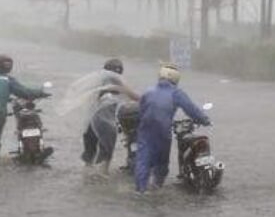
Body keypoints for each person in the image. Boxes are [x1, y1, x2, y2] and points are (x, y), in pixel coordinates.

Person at [134, 62, 210, 193]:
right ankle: (156, 188)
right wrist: (205, 120)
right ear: (176, 78)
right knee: (162, 162)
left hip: (145, 130)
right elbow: (191, 109)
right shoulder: (176, 93)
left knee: (143, 161)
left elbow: (141, 111)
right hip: (163, 132)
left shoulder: (148, 91)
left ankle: (140, 191)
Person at [0, 54, 50, 163]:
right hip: (0, 113)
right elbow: (25, 92)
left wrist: (1, 98)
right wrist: (40, 93)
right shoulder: (8, 80)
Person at [80, 58, 138, 171]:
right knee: (105, 153)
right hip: (105, 123)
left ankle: (87, 173)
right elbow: (135, 98)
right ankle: (102, 174)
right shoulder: (118, 85)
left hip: (90, 122)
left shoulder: (97, 83)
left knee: (89, 151)